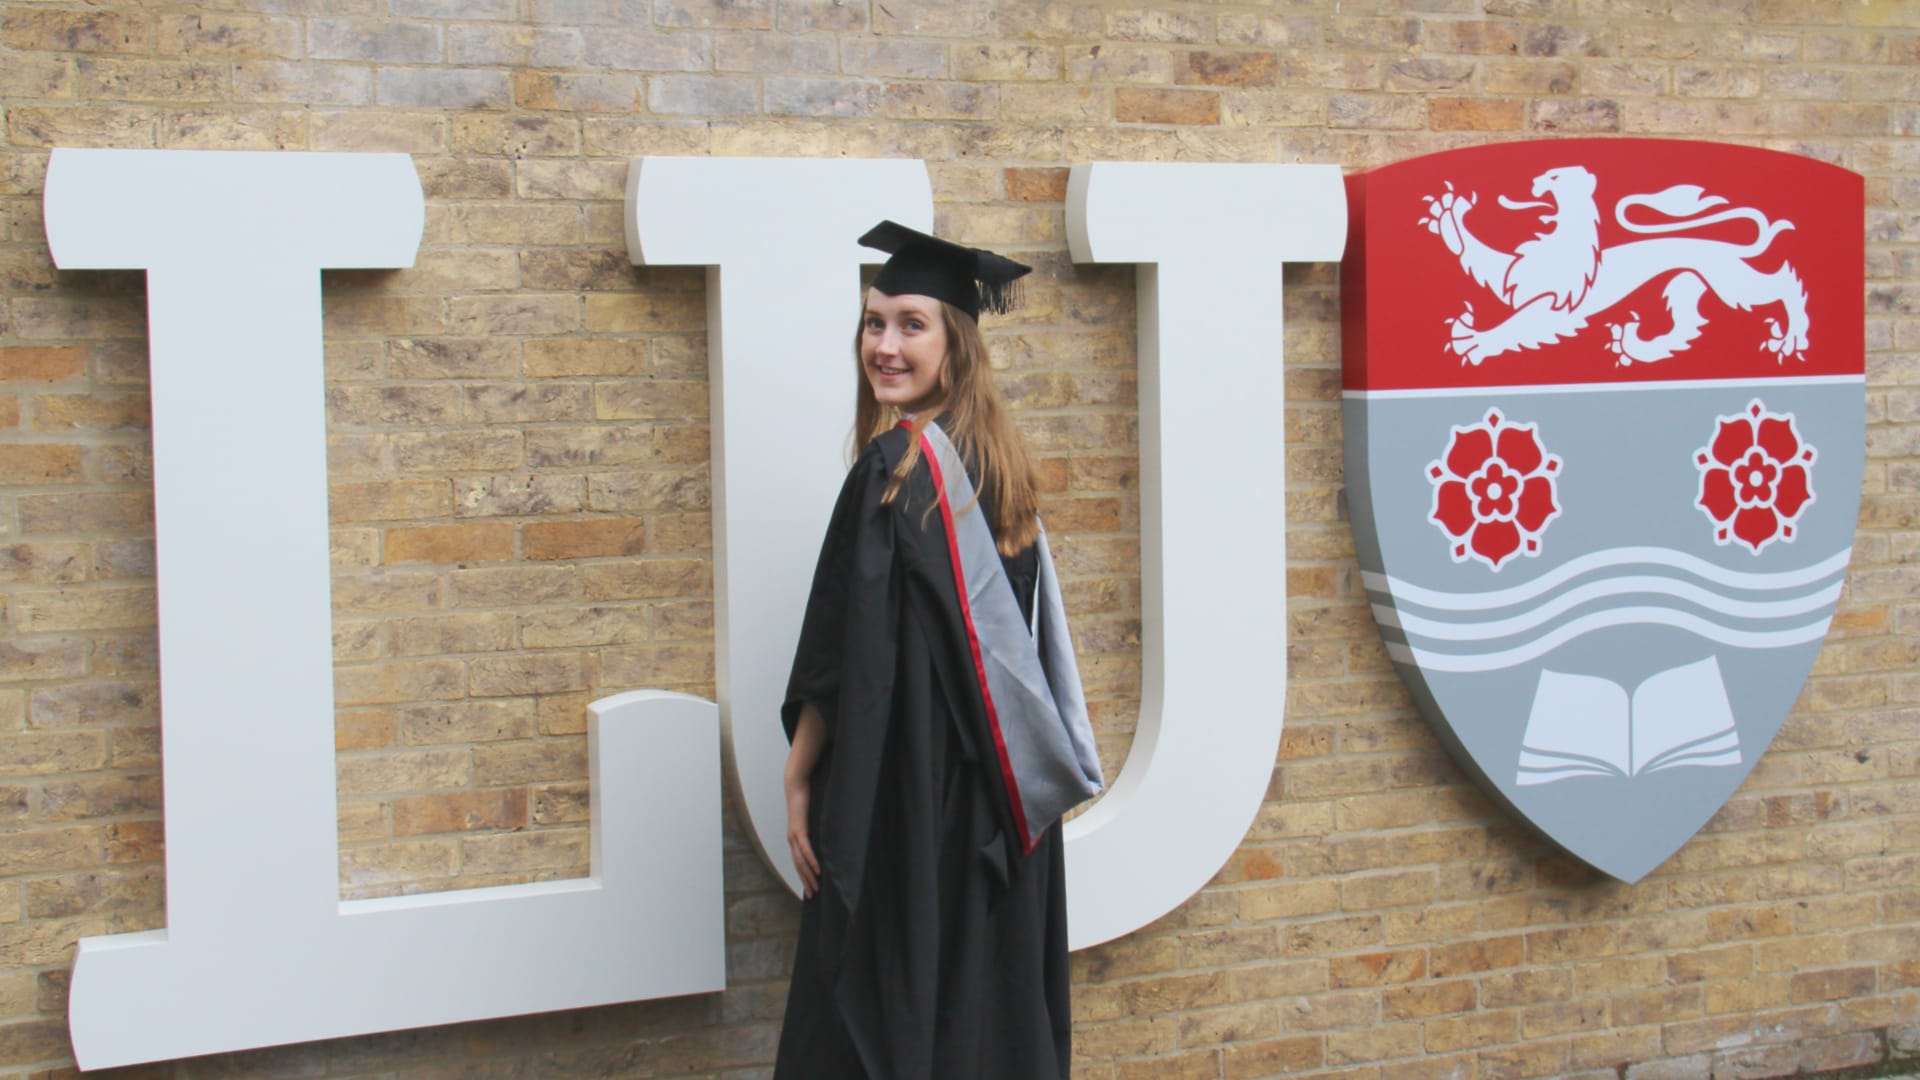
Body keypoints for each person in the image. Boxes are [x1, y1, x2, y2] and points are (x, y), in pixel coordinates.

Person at [773, 221, 1105, 1080]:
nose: (884, 345)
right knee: (979, 1014)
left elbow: (844, 657)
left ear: (956, 342)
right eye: (873, 322)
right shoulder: (1000, 474)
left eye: (910, 324)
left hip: (909, 805)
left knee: (891, 1009)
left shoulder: (894, 468)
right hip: (996, 814)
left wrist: (800, 770)